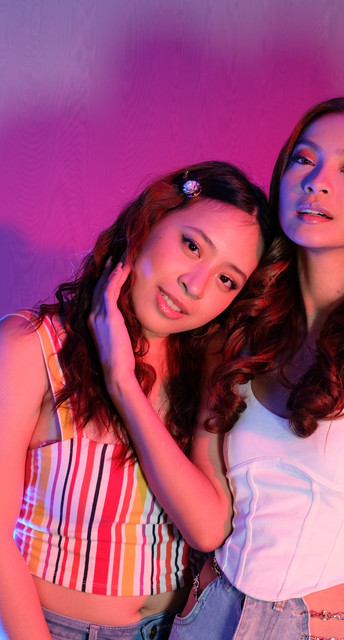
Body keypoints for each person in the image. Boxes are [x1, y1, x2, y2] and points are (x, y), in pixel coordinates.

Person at [168, 98, 344, 640]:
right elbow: (207, 517)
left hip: (330, 626)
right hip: (209, 616)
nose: (317, 182)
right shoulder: (238, 331)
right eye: (303, 159)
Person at [0, 160, 273, 640]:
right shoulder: (34, 345)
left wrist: (123, 383)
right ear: (151, 219)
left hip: (178, 629)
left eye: (227, 280)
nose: (195, 285)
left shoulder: (207, 372)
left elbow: (207, 529)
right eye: (192, 245)